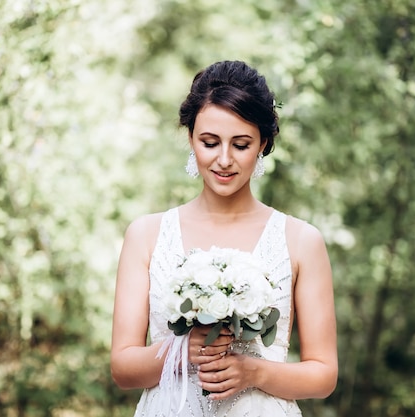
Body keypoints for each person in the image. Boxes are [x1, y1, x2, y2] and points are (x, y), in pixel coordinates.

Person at [110, 60, 337, 416]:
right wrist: (181, 351)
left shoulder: (301, 241)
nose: (224, 160)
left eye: (241, 144)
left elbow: (323, 374)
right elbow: (123, 368)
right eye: (210, 142)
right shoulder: (146, 235)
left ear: (263, 142)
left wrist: (254, 371)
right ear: (191, 138)